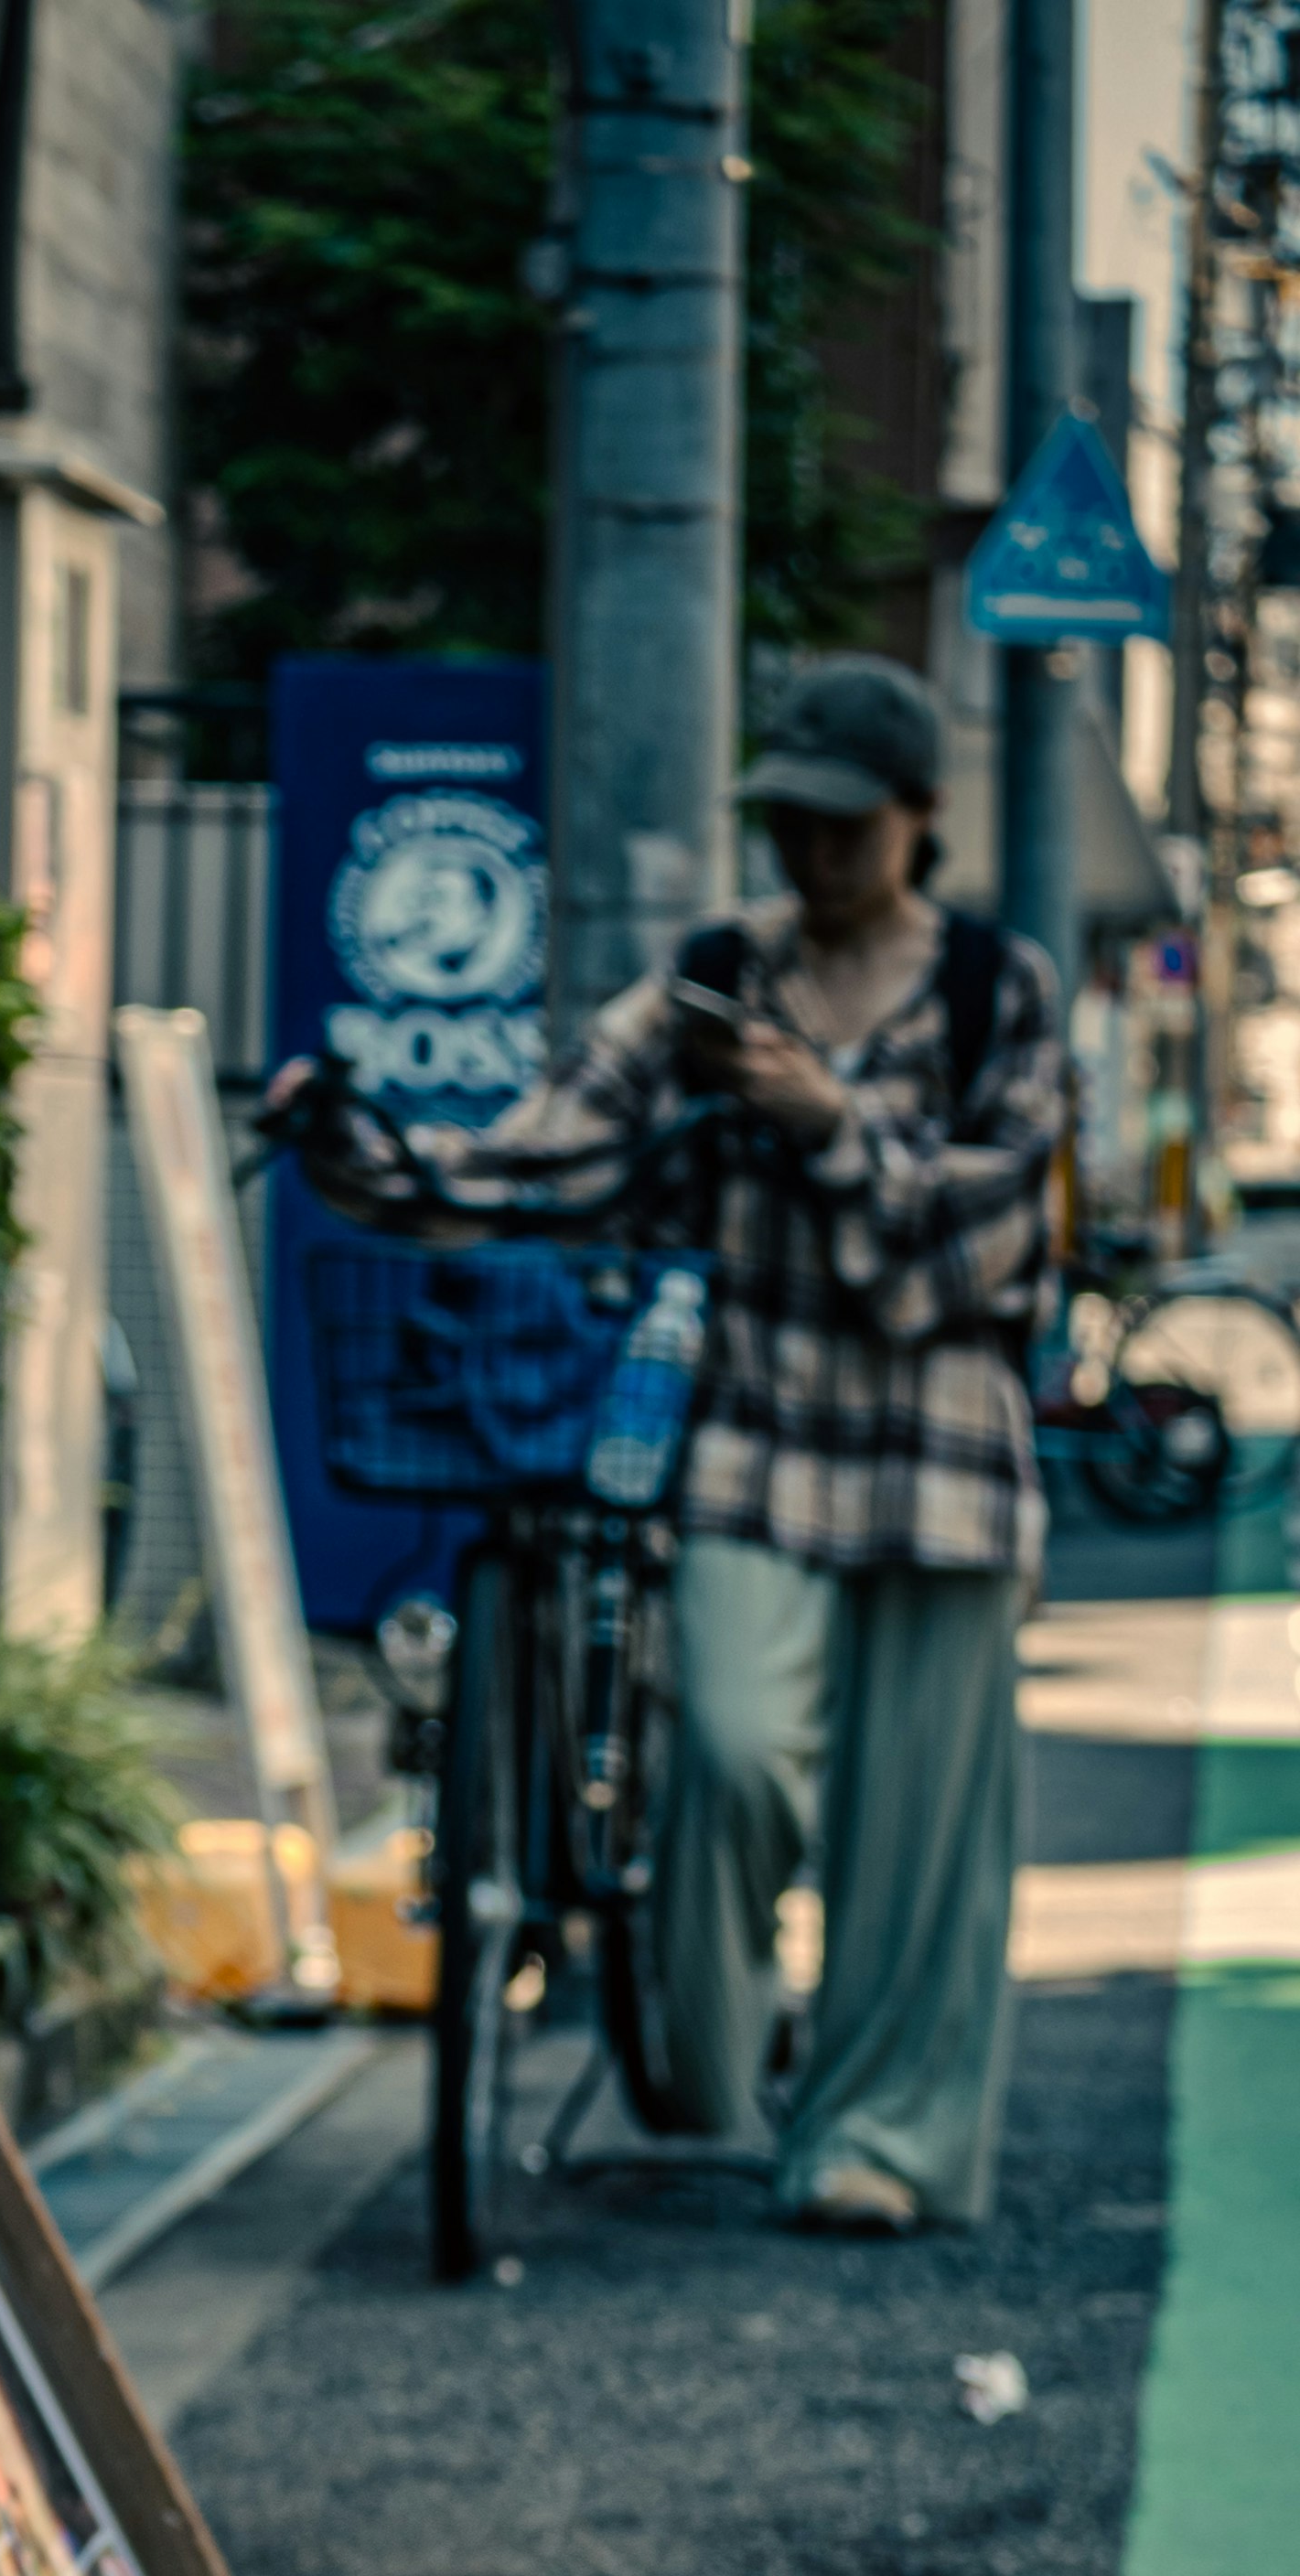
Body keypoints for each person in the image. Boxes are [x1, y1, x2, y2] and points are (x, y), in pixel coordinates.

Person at [310, 654, 1068, 2232]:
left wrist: (827, 1125)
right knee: (721, 1749)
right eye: (789, 822)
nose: (812, 853)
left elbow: (991, 1238)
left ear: (922, 820)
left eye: (844, 827)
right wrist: (372, 1159)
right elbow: (542, 1158)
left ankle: (881, 2144)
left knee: (917, 1831)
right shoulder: (715, 982)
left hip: (943, 1453)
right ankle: (715, 2102)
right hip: (747, 1434)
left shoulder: (1003, 990)